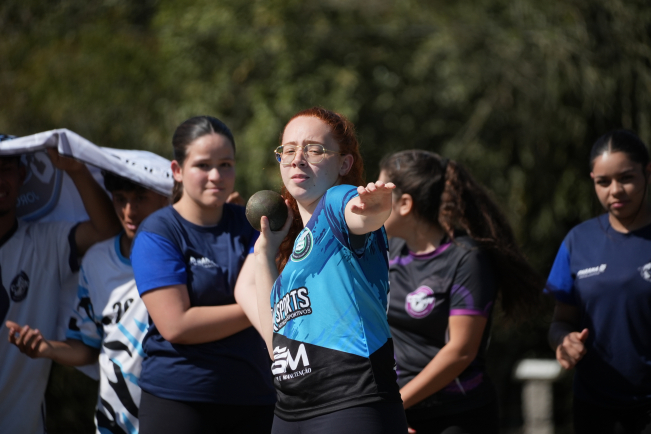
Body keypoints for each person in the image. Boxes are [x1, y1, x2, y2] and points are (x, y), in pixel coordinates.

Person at [249, 107, 408, 433]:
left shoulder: (338, 200)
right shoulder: (295, 253)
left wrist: (374, 209)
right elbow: (275, 344)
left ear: (344, 164)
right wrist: (263, 253)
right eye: (289, 150)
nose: (298, 159)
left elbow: (359, 214)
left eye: (314, 149)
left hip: (351, 402)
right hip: (289, 412)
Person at [377, 149, 542, 434]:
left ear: (404, 204)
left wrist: (395, 406)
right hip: (401, 411)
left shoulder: (467, 258)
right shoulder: (388, 251)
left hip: (455, 414)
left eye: (381, 191)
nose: (367, 198)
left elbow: (461, 351)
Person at [130, 116, 276, 434]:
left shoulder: (253, 225)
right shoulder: (159, 232)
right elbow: (176, 325)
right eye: (203, 165)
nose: (216, 176)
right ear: (177, 170)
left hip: (256, 400)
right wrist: (260, 310)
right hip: (179, 402)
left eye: (225, 165)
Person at [7, 171, 169, 434]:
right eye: (120, 199)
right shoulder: (96, 261)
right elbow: (88, 347)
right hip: (113, 424)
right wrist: (47, 348)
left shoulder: (183, 255)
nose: (129, 211)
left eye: (140, 198)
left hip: (173, 417)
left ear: (164, 197)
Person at [2, 139, 121, 434]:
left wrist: (77, 170)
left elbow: (107, 231)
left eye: (5, 169)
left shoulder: (44, 244)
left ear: (22, 176)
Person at [547, 130, 651, 434]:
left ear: (647, 172)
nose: (615, 190)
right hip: (594, 409)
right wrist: (563, 342)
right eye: (603, 182)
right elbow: (560, 322)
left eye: (626, 178)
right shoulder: (578, 240)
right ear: (593, 180)